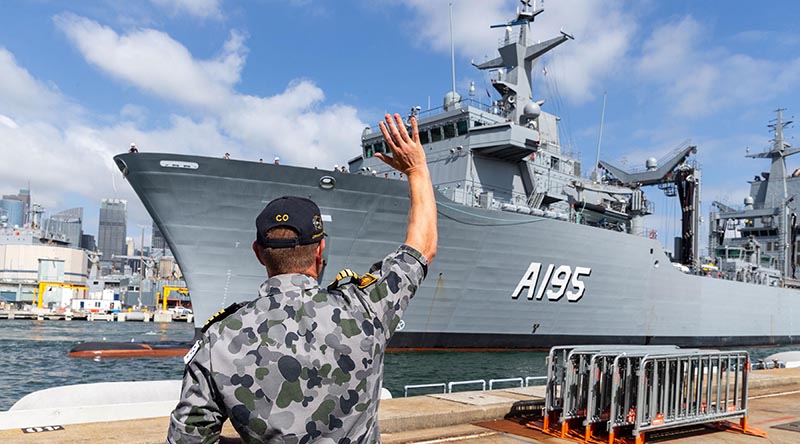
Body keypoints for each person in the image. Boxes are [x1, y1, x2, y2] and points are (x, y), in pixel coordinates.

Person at [167, 113, 437, 443]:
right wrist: (417, 170)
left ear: (258, 252)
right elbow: (422, 246)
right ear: (320, 250)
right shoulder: (366, 310)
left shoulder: (218, 340)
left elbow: (187, 439)